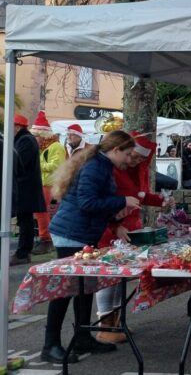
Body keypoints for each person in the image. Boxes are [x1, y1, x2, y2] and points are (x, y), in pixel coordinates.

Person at [42, 130, 140, 363]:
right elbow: (88, 202)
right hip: (71, 234)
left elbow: (94, 201)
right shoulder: (96, 167)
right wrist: (122, 201)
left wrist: (115, 225)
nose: (129, 159)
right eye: (127, 154)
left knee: (85, 288)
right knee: (66, 290)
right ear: (115, 150)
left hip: (81, 232)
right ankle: (50, 344)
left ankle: (83, 336)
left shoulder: (101, 165)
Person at [94, 133, 172, 344]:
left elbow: (141, 195)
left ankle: (118, 321)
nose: (135, 161)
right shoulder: (110, 170)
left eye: (139, 159)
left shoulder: (138, 170)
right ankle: (105, 324)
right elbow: (103, 201)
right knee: (107, 277)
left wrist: (160, 201)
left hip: (129, 229)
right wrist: (115, 225)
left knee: (121, 277)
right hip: (110, 229)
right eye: (133, 157)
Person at [11, 113, 46, 265]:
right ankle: (23, 252)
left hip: (25, 187)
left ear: (17, 127)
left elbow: (19, 163)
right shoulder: (25, 139)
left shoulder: (25, 140)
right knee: (25, 220)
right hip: (25, 187)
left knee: (25, 221)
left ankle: (23, 253)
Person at [32, 111, 63, 255]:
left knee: (42, 212)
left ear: (43, 135)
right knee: (40, 212)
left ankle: (46, 239)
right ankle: (45, 238)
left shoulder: (56, 146)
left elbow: (56, 165)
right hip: (43, 184)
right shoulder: (43, 148)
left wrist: (37, 165)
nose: (35, 138)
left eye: (36, 136)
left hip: (50, 185)